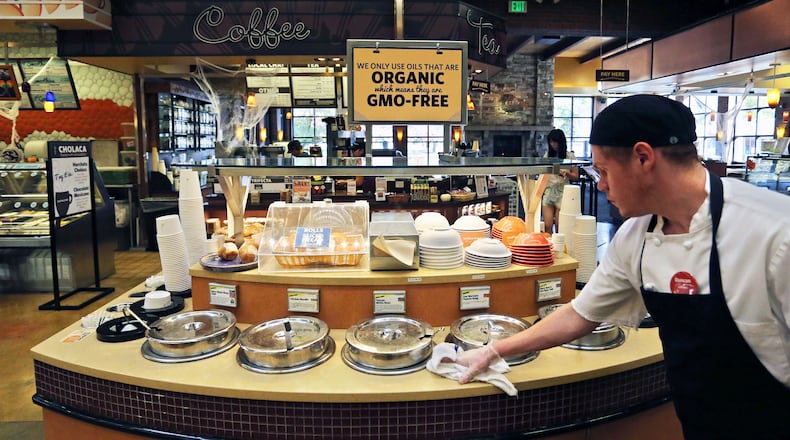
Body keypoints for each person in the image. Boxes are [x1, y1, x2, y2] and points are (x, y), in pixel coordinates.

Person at [453, 94, 790, 439]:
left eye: (603, 171)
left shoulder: (776, 232)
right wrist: (493, 350)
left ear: (643, 157)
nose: (599, 185)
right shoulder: (636, 236)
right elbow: (580, 314)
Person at [542, 128, 578, 233]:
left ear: (561, 142)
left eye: (555, 142)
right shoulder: (547, 156)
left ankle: (559, 248)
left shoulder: (570, 156)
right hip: (549, 191)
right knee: (547, 225)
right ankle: (548, 247)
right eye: (551, 142)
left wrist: (567, 173)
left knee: (560, 225)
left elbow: (576, 176)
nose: (553, 144)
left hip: (563, 192)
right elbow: (543, 172)